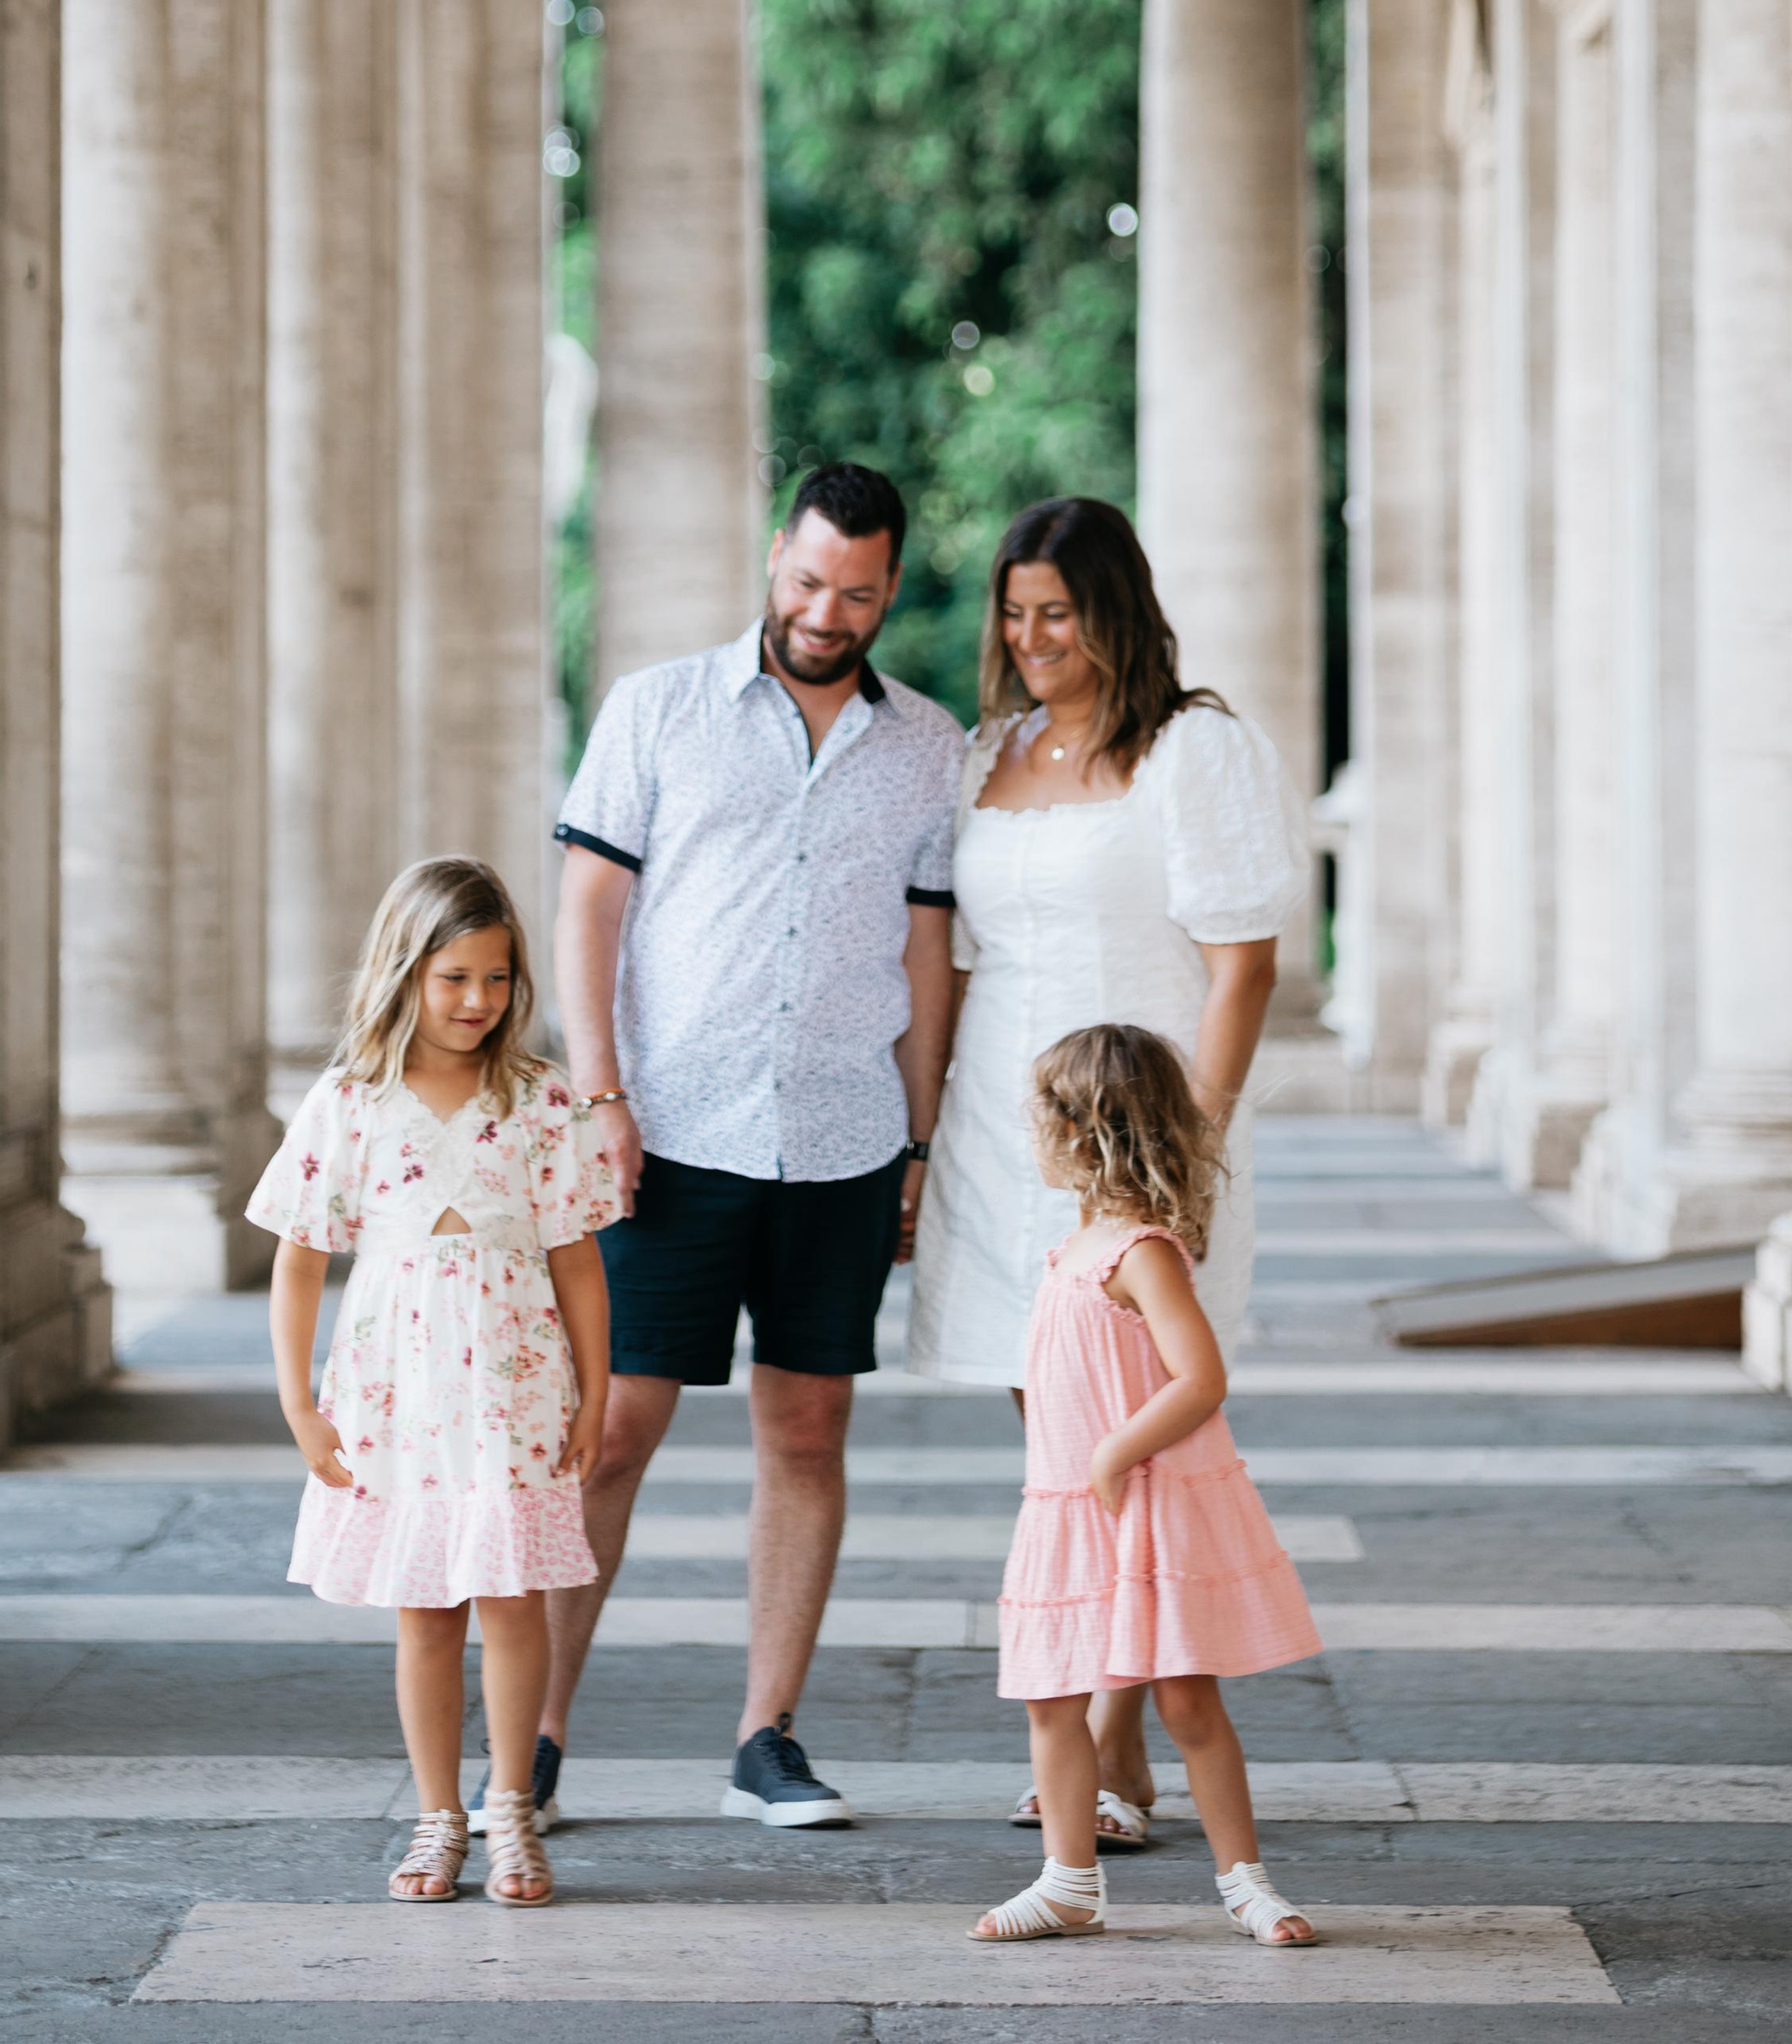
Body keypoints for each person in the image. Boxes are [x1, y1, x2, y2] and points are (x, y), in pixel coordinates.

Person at [541, 460, 966, 1830]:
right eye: (804, 582)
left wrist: (916, 1140)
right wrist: (602, 1098)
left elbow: (926, 949)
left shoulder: (929, 746)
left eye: (853, 593)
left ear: (889, 588)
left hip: (840, 1136)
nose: (823, 613)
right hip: (669, 1134)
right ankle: (530, 1737)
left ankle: (765, 1738)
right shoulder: (657, 709)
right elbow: (589, 910)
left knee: (809, 1428)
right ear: (774, 555)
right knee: (611, 1431)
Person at [906, 493, 1310, 1839]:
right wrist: (922, 1142)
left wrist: (1186, 1148)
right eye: (1016, 617)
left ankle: (1116, 1747)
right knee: (1057, 1433)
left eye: (1058, 617)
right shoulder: (990, 752)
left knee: (1136, 1430)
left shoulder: (1195, 751)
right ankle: (1102, 1741)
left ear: (1114, 611)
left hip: (1144, 1140)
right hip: (1004, 1132)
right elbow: (954, 965)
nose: (1031, 641)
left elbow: (1243, 960)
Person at [250, 855, 619, 1910]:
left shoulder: (540, 1098)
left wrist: (594, 1396)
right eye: (454, 977)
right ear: (405, 972)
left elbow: (577, 1259)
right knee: (425, 1610)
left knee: (511, 1600)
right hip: (394, 1391)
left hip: (512, 1386)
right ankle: (436, 1815)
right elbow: (300, 1258)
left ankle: (511, 1812)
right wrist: (299, 1405)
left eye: (497, 979)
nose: (477, 1001)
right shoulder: (351, 1100)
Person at [973, 1023, 1319, 1948]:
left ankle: (1244, 1881)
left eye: (1042, 1118)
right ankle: (1066, 1880)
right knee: (1053, 1698)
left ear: (1087, 1131)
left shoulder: (1142, 1252)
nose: (1032, 1135)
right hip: (1066, 1512)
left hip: (1137, 1506)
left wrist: (1112, 1455)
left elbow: (1199, 1378)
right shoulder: (1076, 1246)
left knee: (1186, 1703)